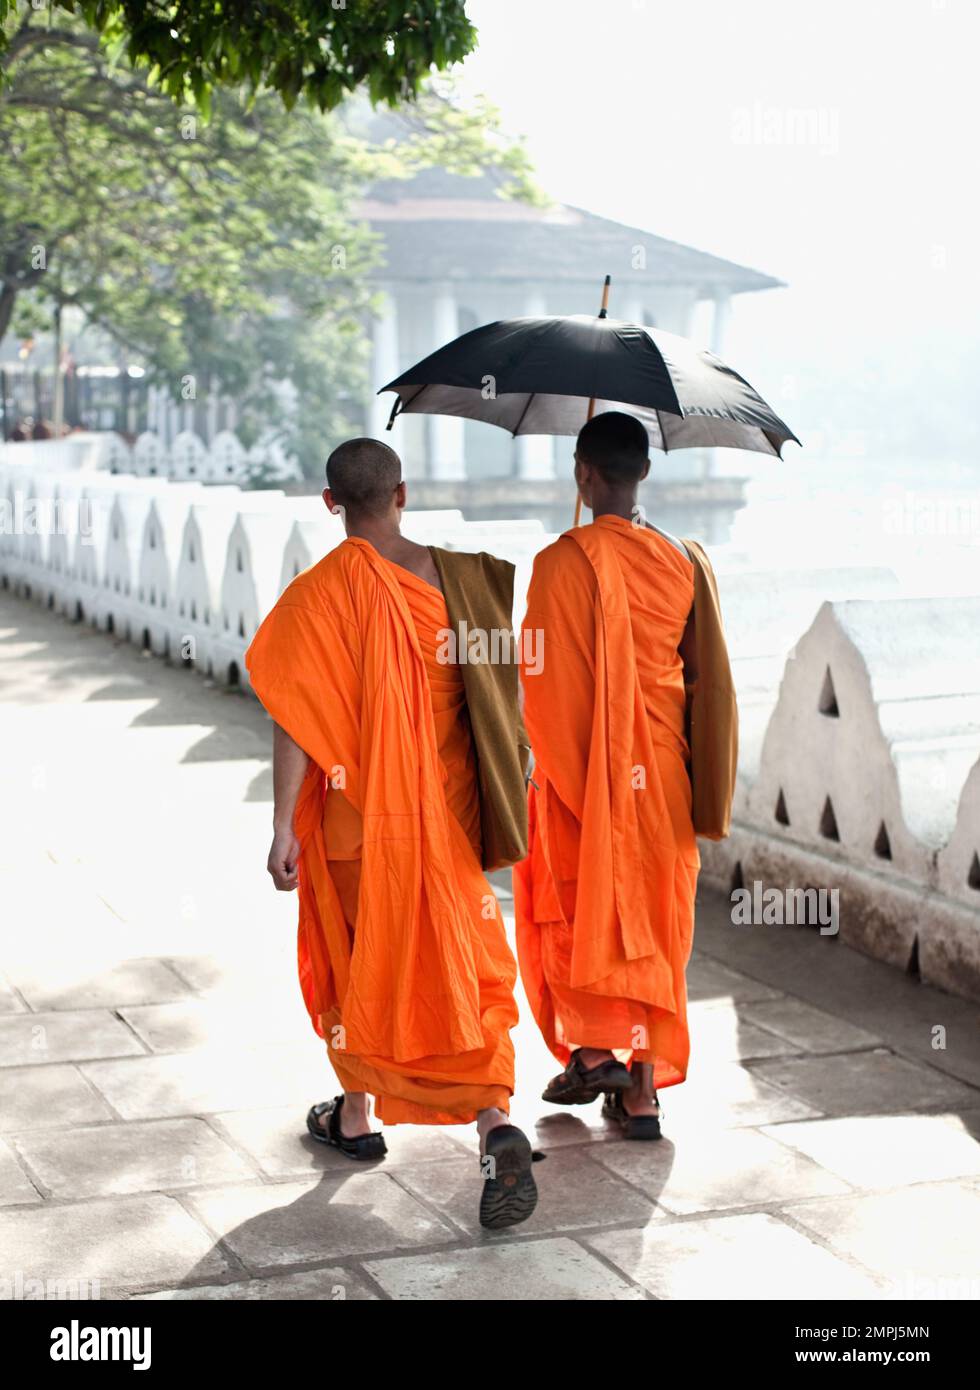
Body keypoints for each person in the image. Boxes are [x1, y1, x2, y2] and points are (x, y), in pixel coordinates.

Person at [245, 437, 537, 1229]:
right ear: (401, 494)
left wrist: (281, 824)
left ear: (330, 503)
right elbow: (500, 703)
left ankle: (357, 1118)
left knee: (361, 970)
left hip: (353, 827)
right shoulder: (466, 582)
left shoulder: (321, 592)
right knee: (453, 971)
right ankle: (492, 1124)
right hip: (442, 826)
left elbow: (296, 719)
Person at [514, 411, 737, 1139]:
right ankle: (641, 1092)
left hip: (585, 780)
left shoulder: (560, 562)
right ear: (643, 471)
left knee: (585, 913)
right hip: (664, 779)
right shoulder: (684, 558)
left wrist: (546, 767)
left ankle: (592, 1049)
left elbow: (539, 683)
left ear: (583, 473)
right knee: (653, 923)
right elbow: (706, 680)